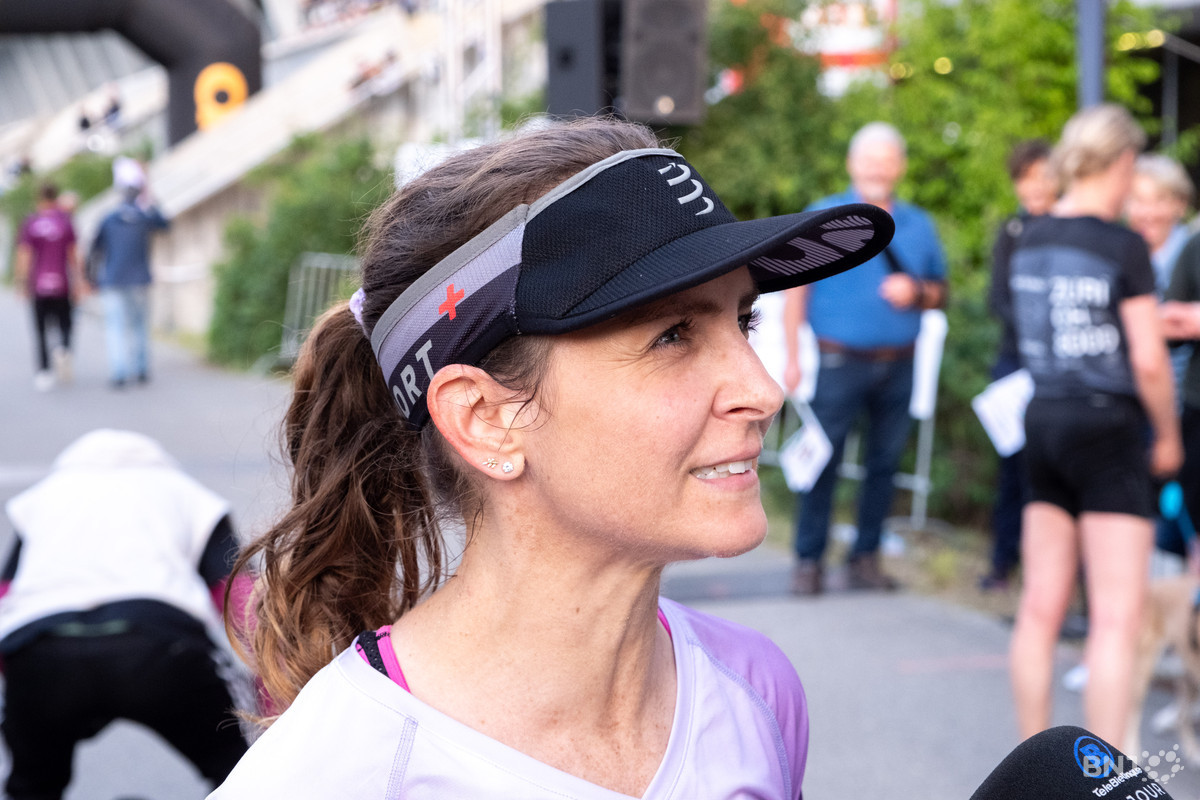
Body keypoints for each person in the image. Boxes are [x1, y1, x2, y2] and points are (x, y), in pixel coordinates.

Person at [211, 117, 894, 796]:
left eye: (743, 320)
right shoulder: (333, 774)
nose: (763, 392)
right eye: (672, 335)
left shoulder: (758, 691)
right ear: (485, 420)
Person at [1007, 104, 1182, 747]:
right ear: (1123, 161)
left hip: (1043, 416)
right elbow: (1148, 360)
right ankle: (1105, 778)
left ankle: (1031, 768)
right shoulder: (1122, 244)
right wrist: (1168, 435)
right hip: (1108, 427)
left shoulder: (1030, 236)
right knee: (1115, 618)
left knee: (1039, 608)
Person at [0, 429, 251, 800]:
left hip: (42, 649)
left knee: (32, 787)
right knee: (243, 772)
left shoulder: (44, 497)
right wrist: (276, 684)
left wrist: (19, 682)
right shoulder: (186, 494)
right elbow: (239, 595)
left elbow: (6, 596)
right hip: (159, 647)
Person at [781, 122, 948, 595]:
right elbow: (796, 291)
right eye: (868, 159)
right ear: (852, 164)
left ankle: (865, 558)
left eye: (885, 159)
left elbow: (941, 292)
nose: (877, 168)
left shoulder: (920, 224)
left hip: (900, 362)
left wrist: (917, 291)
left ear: (900, 167)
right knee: (822, 461)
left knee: (885, 464)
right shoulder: (823, 216)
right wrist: (792, 357)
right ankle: (808, 560)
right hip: (839, 360)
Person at [980, 139, 1058, 591]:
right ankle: (1002, 560)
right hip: (1016, 365)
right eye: (1027, 178)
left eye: (1045, 176)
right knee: (1012, 467)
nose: (1036, 186)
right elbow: (998, 298)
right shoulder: (1011, 231)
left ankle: (1050, 572)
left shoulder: (1071, 228)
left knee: (1053, 469)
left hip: (1060, 366)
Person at [89, 161, 169, 388]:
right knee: (139, 325)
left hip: (113, 279)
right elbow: (165, 223)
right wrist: (150, 197)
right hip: (139, 280)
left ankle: (119, 372)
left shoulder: (109, 218)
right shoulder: (144, 217)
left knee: (115, 327)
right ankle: (140, 368)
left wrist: (91, 277)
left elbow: (95, 249)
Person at [14, 182, 87, 392]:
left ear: (38, 197)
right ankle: (63, 348)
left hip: (39, 285)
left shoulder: (31, 222)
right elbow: (74, 254)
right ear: (56, 197)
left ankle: (44, 371)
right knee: (65, 324)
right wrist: (79, 281)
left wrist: (21, 282)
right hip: (62, 283)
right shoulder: (65, 221)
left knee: (40, 330)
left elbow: (25, 255)